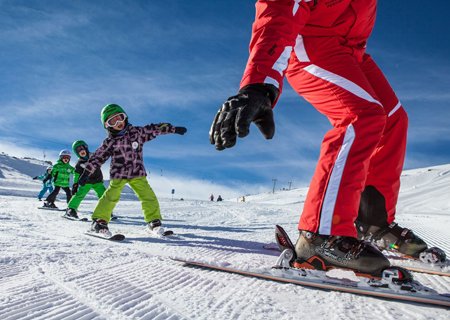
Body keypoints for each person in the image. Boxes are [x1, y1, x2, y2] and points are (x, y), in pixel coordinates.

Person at [210, 0, 428, 276]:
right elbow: (278, 11)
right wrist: (260, 84)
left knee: (394, 120)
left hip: (351, 50)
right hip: (310, 44)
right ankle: (320, 236)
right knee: (361, 116)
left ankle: (373, 224)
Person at [78, 103, 187, 237]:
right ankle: (99, 222)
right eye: (112, 121)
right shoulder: (110, 141)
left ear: (125, 117)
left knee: (148, 196)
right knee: (111, 197)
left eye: (120, 117)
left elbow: (154, 129)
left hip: (137, 173)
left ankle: (153, 222)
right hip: (119, 174)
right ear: (107, 126)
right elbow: (97, 157)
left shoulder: (137, 133)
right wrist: (86, 173)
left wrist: (173, 129)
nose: (118, 123)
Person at [64, 140, 107, 219]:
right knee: (79, 195)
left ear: (86, 147)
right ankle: (71, 210)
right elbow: (76, 174)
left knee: (104, 195)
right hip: (86, 182)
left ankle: (105, 211)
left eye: (81, 148)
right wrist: (75, 184)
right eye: (78, 150)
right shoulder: (79, 163)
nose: (81, 151)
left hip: (97, 181)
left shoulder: (94, 157)